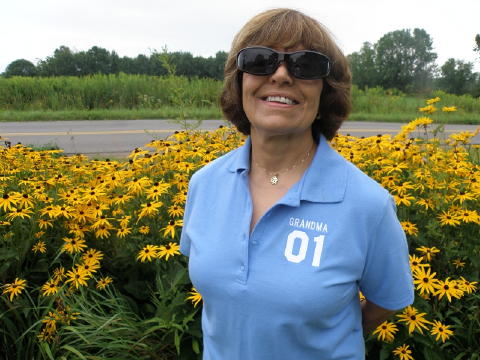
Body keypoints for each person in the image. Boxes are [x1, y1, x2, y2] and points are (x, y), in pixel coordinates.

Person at [180, 8, 414, 360]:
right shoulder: (205, 184)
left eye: (306, 65)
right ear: (240, 81)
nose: (280, 75)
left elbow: (386, 302)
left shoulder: (367, 204)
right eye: (260, 60)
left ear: (326, 92)